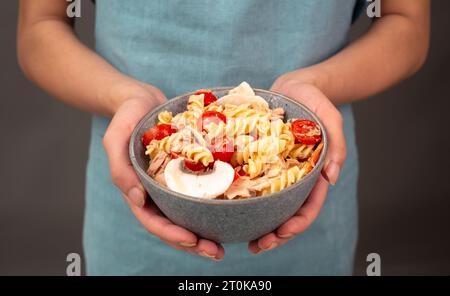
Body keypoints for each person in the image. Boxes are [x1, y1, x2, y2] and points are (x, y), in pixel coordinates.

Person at [17, 0, 429, 275]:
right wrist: (126, 98)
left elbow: (407, 23)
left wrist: (314, 85)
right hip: (135, 198)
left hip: (307, 198)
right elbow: (40, 25)